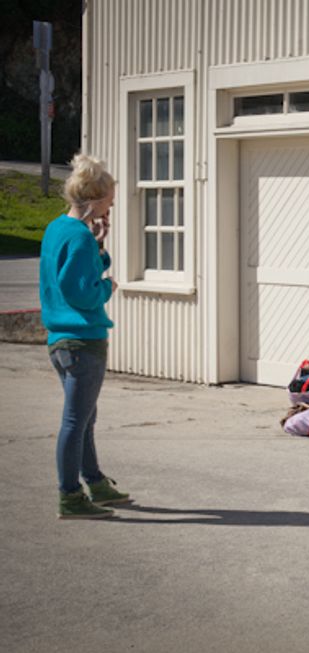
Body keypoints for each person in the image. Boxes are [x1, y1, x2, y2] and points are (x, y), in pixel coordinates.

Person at [40, 153, 131, 519]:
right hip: (83, 342)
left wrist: (98, 244)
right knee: (76, 421)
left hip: (59, 341)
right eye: (109, 199)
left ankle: (94, 481)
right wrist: (107, 289)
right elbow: (81, 291)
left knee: (84, 417)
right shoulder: (78, 236)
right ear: (94, 199)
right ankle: (70, 495)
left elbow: (69, 273)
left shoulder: (58, 229)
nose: (112, 205)